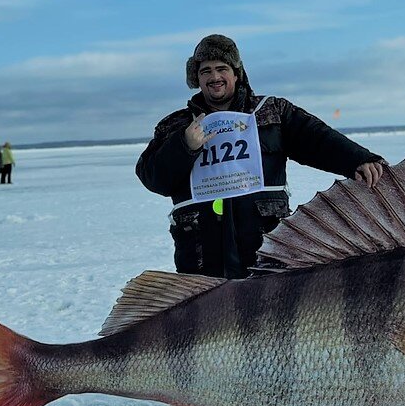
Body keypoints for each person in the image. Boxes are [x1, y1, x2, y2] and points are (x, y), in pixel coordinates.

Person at [136, 34, 384, 278]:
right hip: (202, 260)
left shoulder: (271, 112)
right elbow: (152, 177)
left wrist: (357, 159)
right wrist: (184, 145)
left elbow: (317, 140)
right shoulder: (175, 126)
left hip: (267, 251)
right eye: (206, 71)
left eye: (222, 68)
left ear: (236, 73)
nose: (215, 77)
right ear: (196, 78)